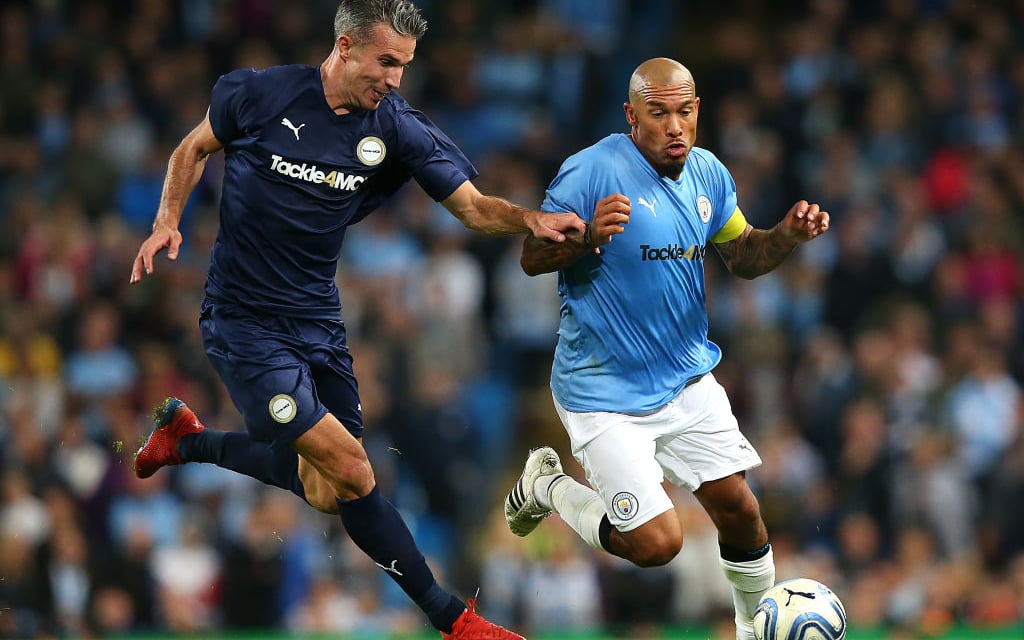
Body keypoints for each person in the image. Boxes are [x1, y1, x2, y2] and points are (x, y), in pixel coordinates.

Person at [128, 1, 585, 638]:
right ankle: (454, 620)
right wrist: (166, 222)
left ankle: (188, 440)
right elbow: (191, 149)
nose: (396, 79)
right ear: (344, 47)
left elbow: (475, 208)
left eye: (405, 66)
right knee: (353, 471)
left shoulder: (394, 127)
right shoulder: (258, 95)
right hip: (243, 321)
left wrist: (530, 219)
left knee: (325, 492)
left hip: (318, 321)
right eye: (387, 62)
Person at [502, 57, 830, 640]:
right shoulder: (591, 172)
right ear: (632, 115)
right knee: (657, 544)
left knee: (742, 512)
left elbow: (744, 255)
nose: (674, 126)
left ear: (697, 110)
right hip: (602, 392)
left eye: (684, 112)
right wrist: (588, 239)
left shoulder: (708, 174)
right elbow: (531, 258)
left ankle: (753, 631)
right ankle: (547, 484)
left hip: (684, 381)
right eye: (658, 114)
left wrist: (786, 235)